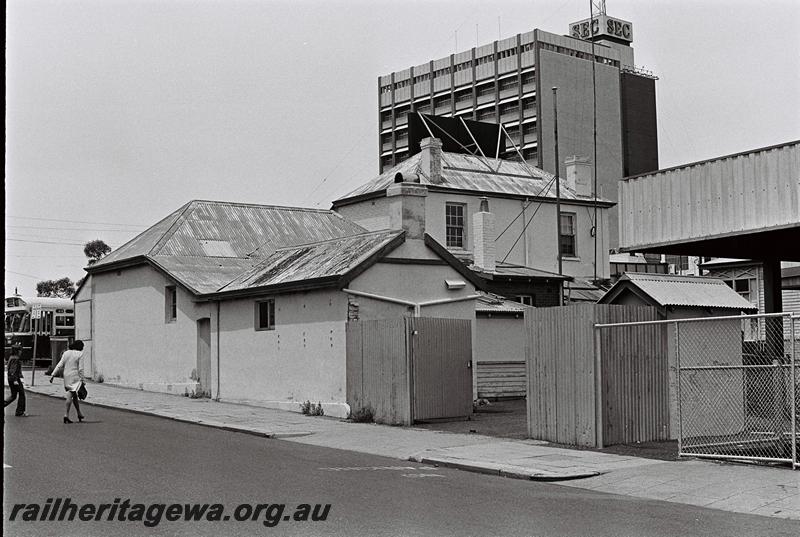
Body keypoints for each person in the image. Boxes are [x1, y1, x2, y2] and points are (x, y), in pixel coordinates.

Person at [50, 340, 85, 423]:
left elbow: (60, 364)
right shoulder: (80, 354)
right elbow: (81, 369)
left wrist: (53, 374)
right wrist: (82, 379)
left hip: (66, 376)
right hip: (75, 376)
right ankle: (66, 415)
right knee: (70, 394)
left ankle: (79, 413)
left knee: (74, 394)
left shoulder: (66, 353)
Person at [4, 344, 27, 416]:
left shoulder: (11, 357)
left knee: (13, 395)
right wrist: (15, 380)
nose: (21, 352)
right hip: (14, 379)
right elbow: (13, 370)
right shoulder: (16, 359)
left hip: (11, 378)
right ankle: (20, 411)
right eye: (20, 350)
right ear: (17, 351)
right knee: (22, 394)